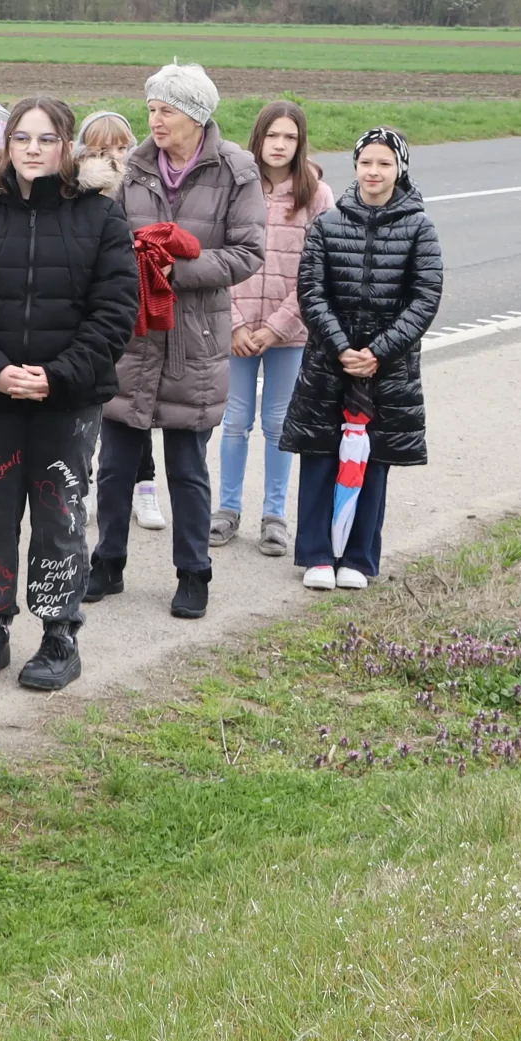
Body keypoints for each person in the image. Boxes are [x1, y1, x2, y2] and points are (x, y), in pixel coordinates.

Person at [0, 97, 138, 693]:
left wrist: (59, 373)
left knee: (59, 513)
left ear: (66, 146)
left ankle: (58, 632)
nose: (33, 150)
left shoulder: (100, 216)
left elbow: (115, 309)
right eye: (22, 138)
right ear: (7, 143)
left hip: (67, 399)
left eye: (47, 140)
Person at [87, 63, 264, 622]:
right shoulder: (133, 168)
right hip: (133, 338)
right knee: (114, 465)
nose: (154, 119)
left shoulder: (236, 168)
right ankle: (107, 561)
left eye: (165, 109)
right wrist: (131, 265)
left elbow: (248, 252)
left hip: (196, 339)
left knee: (187, 469)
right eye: (151, 108)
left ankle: (193, 573)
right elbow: (109, 242)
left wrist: (170, 268)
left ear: (196, 115)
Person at [282, 128, 443, 590]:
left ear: (400, 169)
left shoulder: (420, 228)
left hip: (388, 368)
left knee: (373, 460)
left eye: (384, 164)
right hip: (329, 361)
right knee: (319, 453)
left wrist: (378, 351)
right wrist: (341, 347)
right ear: (355, 167)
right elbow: (311, 292)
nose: (374, 172)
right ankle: (315, 554)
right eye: (366, 162)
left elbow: (425, 297)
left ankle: (358, 557)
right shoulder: (328, 223)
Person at [216, 102, 332, 558]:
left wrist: (280, 326)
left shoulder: (317, 195)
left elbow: (319, 270)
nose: (280, 145)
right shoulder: (236, 187)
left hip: (290, 333)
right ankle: (226, 510)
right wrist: (238, 323)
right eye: (272, 136)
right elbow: (219, 257)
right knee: (235, 421)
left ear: (300, 142)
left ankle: (275, 516)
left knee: (280, 423)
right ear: (258, 138)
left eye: (289, 137)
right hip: (236, 332)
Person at [78, 111, 166, 532]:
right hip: (91, 313)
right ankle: (89, 483)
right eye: (101, 149)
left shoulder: (144, 185)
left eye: (121, 146)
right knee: (96, 407)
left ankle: (146, 485)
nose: (114, 156)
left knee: (136, 403)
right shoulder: (81, 193)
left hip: (135, 309)